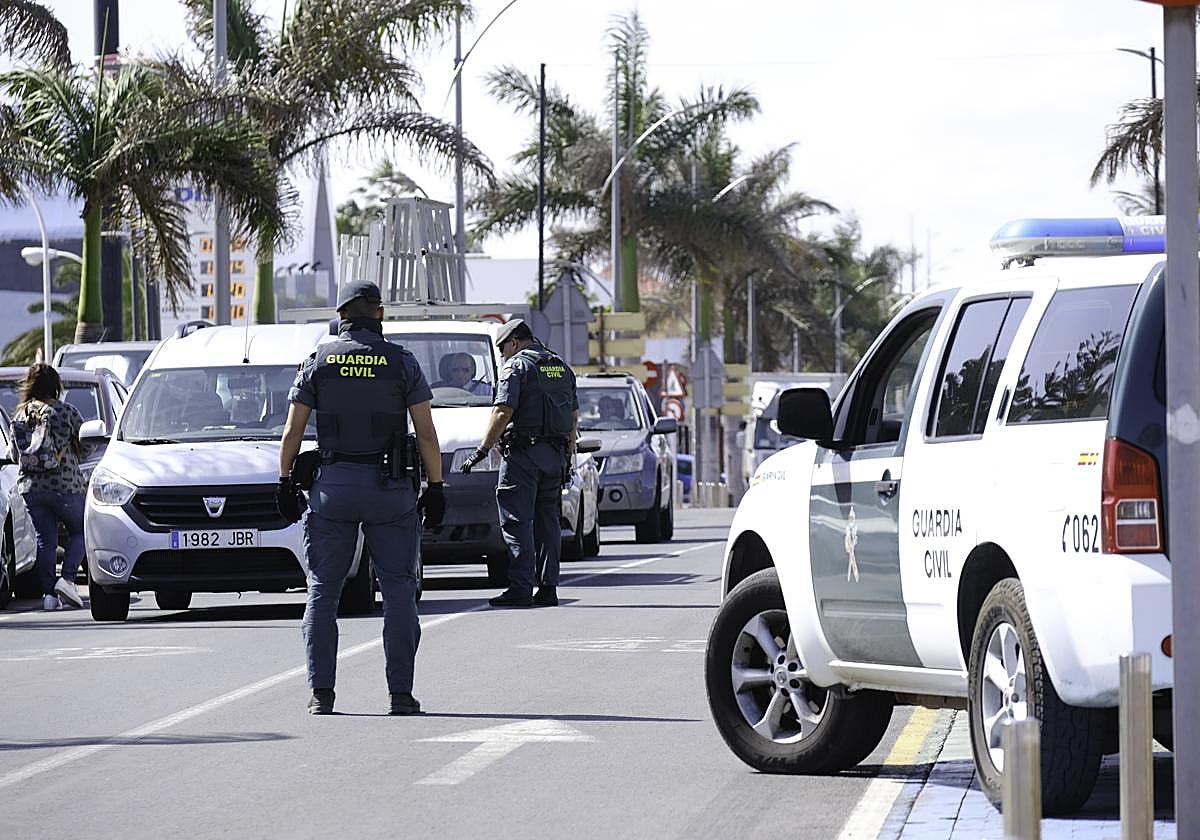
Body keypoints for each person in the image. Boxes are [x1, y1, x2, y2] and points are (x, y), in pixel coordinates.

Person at [278, 280, 446, 716]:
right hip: (390, 491)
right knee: (398, 592)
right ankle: (401, 695)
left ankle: (322, 695)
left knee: (322, 592)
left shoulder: (318, 360)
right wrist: (437, 486)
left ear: (341, 316)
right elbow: (426, 433)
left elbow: (293, 431)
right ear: (380, 315)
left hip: (333, 488)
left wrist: (283, 481)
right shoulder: (401, 362)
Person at [460, 319, 577, 608]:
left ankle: (521, 588)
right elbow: (573, 416)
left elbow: (502, 411)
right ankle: (548, 588)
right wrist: (568, 455)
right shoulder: (560, 366)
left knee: (516, 521)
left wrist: (482, 450)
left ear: (514, 341)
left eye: (503, 349)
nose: (503, 356)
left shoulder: (517, 367)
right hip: (554, 456)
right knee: (548, 522)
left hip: (524, 457)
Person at [9, 363, 87, 611]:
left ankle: (49, 596)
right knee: (82, 529)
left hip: (31, 487)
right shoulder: (66, 412)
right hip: (66, 486)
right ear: (56, 385)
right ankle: (68, 579)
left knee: (45, 540)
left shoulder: (19, 416)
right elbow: (87, 444)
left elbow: (14, 455)